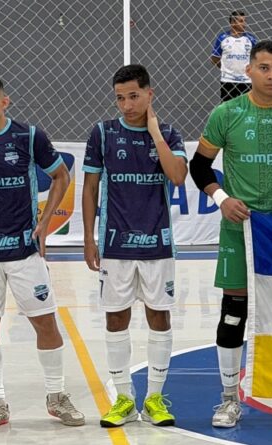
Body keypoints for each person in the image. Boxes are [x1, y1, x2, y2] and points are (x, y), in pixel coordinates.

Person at [189, 40, 272, 428]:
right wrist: (222, 198)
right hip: (239, 227)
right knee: (234, 312)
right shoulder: (226, 113)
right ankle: (230, 398)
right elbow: (200, 166)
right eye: (264, 68)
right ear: (248, 70)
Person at [82, 65, 188, 427]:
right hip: (115, 245)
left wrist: (155, 133)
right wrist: (88, 238)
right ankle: (125, 398)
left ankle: (155, 398)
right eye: (120, 97)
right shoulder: (102, 133)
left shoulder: (170, 133)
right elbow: (90, 188)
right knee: (116, 317)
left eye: (133, 96)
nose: (126, 105)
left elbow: (177, 176)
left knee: (160, 316)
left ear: (149, 94)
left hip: (158, 244)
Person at [0, 76, 85, 427]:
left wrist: (45, 223)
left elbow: (61, 176)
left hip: (23, 252)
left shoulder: (28, 136)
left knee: (46, 324)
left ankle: (56, 395)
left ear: (5, 102)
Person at [211, 10, 257, 102]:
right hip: (227, 80)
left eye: (244, 21)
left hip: (246, 81)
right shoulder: (222, 38)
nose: (244, 24)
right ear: (232, 23)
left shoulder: (251, 39)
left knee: (246, 107)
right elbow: (214, 58)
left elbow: (257, 58)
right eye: (241, 21)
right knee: (227, 108)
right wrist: (225, 68)